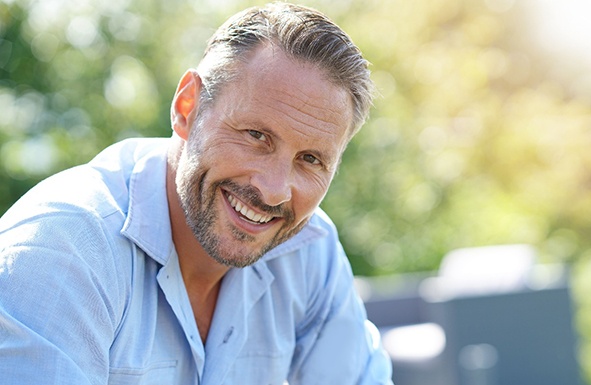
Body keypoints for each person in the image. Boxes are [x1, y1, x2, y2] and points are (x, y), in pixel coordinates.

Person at [0, 2, 393, 384]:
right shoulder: (62, 251)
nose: (273, 191)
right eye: (256, 136)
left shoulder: (309, 250)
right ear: (188, 106)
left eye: (310, 159)